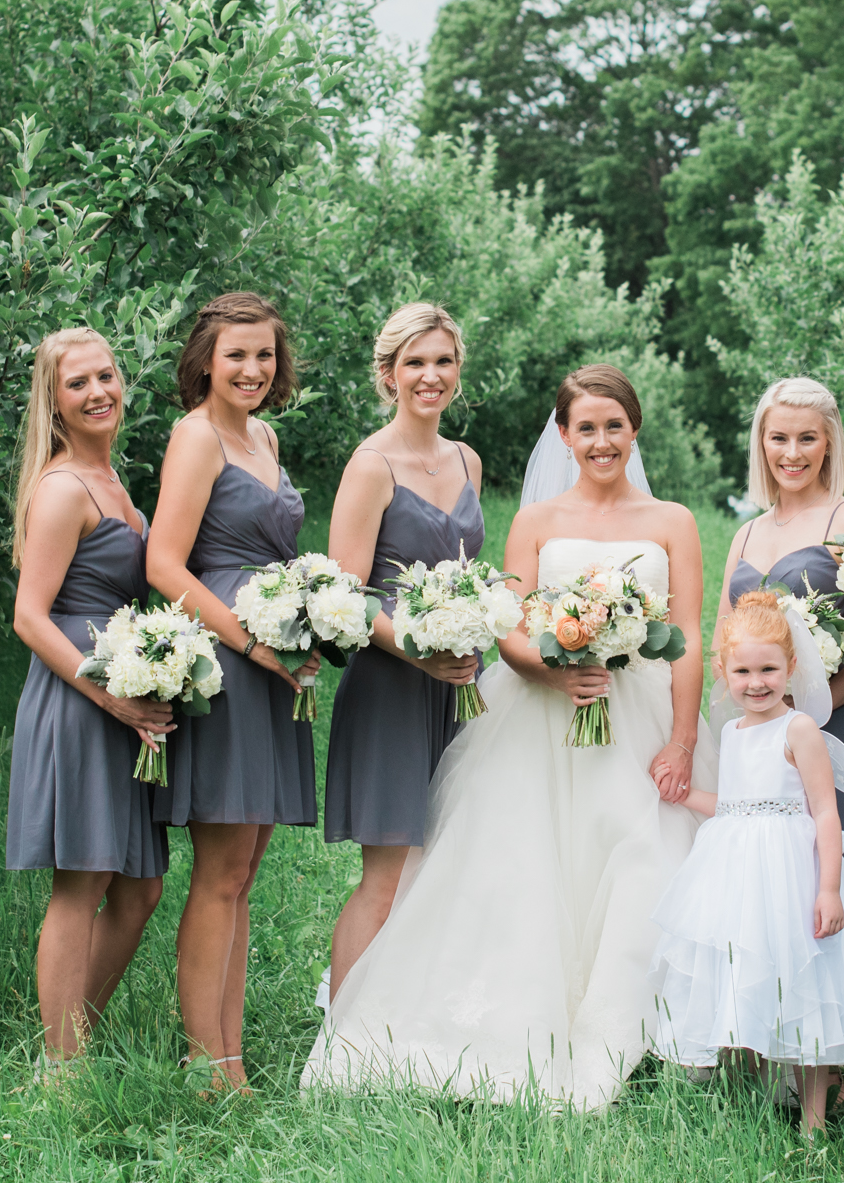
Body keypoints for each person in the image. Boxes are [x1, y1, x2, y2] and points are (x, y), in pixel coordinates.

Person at [304, 364, 713, 1111]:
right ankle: (529, 1020)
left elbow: (685, 632)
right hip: (544, 714)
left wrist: (683, 738)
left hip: (642, 715)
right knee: (533, 864)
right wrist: (554, 672)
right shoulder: (536, 521)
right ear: (563, 435)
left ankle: (646, 1031)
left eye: (614, 425)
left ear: (635, 430)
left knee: (642, 854)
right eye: (585, 427)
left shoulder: (673, 520)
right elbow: (513, 625)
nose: (600, 440)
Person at [647, 591, 844, 1136]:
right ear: (723, 671)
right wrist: (685, 796)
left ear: (792, 667)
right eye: (742, 670)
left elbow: (825, 813)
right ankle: (768, 1098)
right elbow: (735, 807)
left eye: (769, 669)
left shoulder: (799, 730)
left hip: (794, 876)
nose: (756, 682)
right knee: (756, 981)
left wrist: (829, 889)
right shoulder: (733, 733)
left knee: (804, 990)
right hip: (741, 880)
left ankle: (815, 1121)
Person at [716, 376, 844, 1104]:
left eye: (806, 437)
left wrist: (815, 707)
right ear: (760, 443)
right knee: (773, 892)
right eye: (778, 436)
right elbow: (725, 637)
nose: (791, 451)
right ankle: (787, 1047)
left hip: (835, 725)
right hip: (760, 730)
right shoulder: (746, 530)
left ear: (829, 441)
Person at [146, 292, 317, 1093]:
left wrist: (307, 622)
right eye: (237, 354)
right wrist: (249, 642)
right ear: (205, 361)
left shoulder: (265, 436)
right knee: (218, 869)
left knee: (245, 870)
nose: (253, 368)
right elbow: (164, 564)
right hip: (225, 661)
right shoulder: (196, 436)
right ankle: (201, 1060)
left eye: (265, 354)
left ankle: (230, 1053)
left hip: (273, 661)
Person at [3, 327, 173, 1076]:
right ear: (56, 402)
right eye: (78, 384)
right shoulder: (63, 487)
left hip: (121, 696)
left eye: (106, 375)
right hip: (80, 699)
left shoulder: (114, 481)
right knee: (84, 881)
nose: (98, 391)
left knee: (140, 886)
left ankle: (75, 1034)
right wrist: (112, 698)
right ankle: (61, 1068)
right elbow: (29, 615)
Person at [320, 303, 486, 995]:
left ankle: (409, 1020)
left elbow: (473, 570)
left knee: (444, 866)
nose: (430, 375)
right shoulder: (371, 464)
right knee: (385, 876)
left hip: (459, 687)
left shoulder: (468, 459)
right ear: (388, 374)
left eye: (442, 361)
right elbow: (343, 595)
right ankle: (342, 1034)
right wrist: (420, 650)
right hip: (391, 684)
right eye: (414, 362)